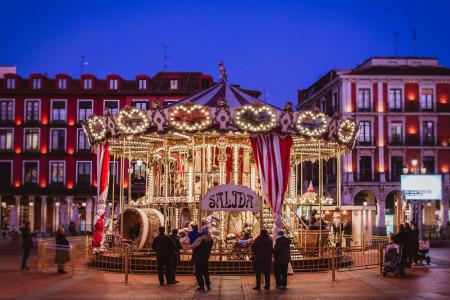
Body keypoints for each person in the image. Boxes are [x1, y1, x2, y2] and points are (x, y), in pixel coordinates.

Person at [190, 225, 213, 291]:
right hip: (206, 257)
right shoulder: (210, 239)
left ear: (202, 231)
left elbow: (193, 246)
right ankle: (208, 285)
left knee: (198, 272)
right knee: (205, 271)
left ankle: (201, 286)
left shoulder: (200, 239)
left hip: (199, 257)